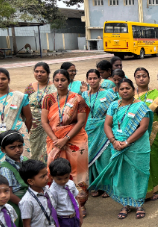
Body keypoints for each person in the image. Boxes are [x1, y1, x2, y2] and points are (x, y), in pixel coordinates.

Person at [89, 79, 153, 219]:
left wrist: (127, 142)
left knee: (138, 174)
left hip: (137, 146)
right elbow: (107, 124)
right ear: (118, 91)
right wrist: (113, 141)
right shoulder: (114, 105)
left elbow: (143, 127)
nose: (125, 91)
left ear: (133, 90)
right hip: (116, 144)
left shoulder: (141, 106)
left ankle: (139, 204)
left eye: (127, 88)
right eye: (122, 89)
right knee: (121, 174)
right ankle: (125, 204)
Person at [41, 69, 90, 218]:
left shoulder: (77, 98)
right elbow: (44, 121)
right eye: (57, 80)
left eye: (63, 80)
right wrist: (56, 139)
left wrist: (66, 138)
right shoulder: (48, 99)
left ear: (69, 81)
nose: (60, 83)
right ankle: (56, 203)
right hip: (54, 140)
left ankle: (80, 204)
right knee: (53, 169)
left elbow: (81, 121)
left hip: (75, 139)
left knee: (78, 172)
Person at [81, 69, 117, 198]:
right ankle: (94, 185)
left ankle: (107, 186)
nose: (92, 81)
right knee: (89, 157)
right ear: (87, 80)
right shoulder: (84, 95)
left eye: (95, 78)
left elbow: (115, 109)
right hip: (88, 130)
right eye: (90, 78)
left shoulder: (108, 94)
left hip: (103, 130)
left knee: (104, 158)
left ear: (100, 79)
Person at [135, 68, 158, 200]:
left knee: (153, 159)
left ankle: (153, 189)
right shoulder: (131, 95)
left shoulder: (156, 96)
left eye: (144, 76)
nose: (141, 78)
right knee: (139, 161)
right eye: (138, 76)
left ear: (149, 78)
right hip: (135, 134)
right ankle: (140, 189)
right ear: (135, 79)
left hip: (154, 133)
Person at [0, 68, 32, 170]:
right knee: (1, 165)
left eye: (3, 78)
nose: (0, 81)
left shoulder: (19, 96)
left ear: (9, 80)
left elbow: (29, 118)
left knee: (23, 164)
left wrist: (22, 133)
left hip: (19, 135)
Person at [24, 62, 56, 163]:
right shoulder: (30, 87)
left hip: (50, 124)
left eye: (42, 72)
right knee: (33, 148)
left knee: (48, 149)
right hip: (33, 125)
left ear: (48, 73)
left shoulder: (55, 87)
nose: (39, 74)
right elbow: (24, 105)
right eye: (36, 71)